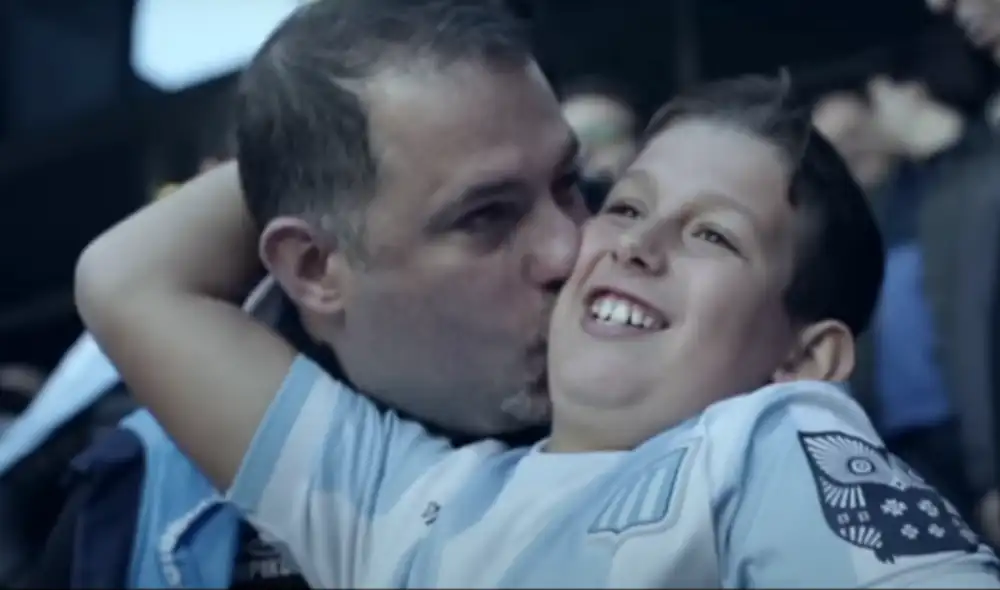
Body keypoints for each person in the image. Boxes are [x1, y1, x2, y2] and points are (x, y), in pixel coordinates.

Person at [78, 64, 1000, 586]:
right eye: (627, 205)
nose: (638, 248)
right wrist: (373, 146)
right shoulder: (398, 498)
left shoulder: (776, 441)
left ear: (806, 357)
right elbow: (129, 283)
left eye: (714, 234)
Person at [5, 0, 582, 587]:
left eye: (568, 183)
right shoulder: (146, 502)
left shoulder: (664, 390)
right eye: (487, 216)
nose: (571, 249)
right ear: (313, 268)